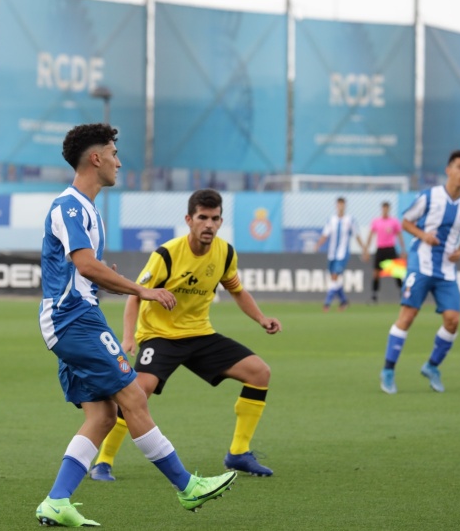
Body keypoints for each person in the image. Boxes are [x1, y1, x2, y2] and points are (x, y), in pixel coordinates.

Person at [36, 124, 236, 527]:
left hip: (72, 316)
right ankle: (187, 486)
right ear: (96, 158)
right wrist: (141, 291)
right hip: (73, 319)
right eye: (113, 153)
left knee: (104, 415)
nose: (118, 161)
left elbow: (82, 270)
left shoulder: (85, 208)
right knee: (134, 397)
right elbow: (84, 263)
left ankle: (56, 501)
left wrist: (97, 277)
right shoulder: (71, 206)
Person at [88, 188, 282, 484]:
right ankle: (103, 461)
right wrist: (128, 339)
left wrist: (261, 318)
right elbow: (134, 297)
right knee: (137, 392)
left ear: (220, 221)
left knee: (259, 372)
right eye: (202, 218)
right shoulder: (166, 254)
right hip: (160, 336)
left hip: (200, 334)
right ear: (189, 219)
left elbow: (237, 291)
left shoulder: (225, 252)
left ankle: (238, 453)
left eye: (215, 219)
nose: (209, 224)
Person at [380, 150, 460, 394]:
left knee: (453, 320)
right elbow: (406, 222)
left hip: (446, 271)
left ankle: (432, 366)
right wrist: (424, 235)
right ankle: (388, 370)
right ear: (449, 170)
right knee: (408, 317)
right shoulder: (430, 197)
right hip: (420, 264)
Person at [314, 197, 366, 311]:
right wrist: (318, 245)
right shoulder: (331, 220)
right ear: (336, 206)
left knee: (335, 277)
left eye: (342, 204)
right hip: (332, 253)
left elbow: (357, 235)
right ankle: (343, 301)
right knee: (335, 279)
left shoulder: (350, 220)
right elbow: (325, 234)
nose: (341, 207)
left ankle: (327, 303)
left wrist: (364, 249)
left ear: (345, 206)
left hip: (343, 253)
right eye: (339, 204)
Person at [363, 201, 406, 303]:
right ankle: (374, 296)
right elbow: (370, 235)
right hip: (380, 249)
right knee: (376, 273)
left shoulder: (394, 221)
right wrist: (366, 249)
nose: (385, 210)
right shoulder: (376, 221)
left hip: (390, 249)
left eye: (387, 208)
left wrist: (403, 250)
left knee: (397, 273)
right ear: (382, 209)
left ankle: (403, 293)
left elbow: (399, 235)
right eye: (384, 208)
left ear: (389, 209)